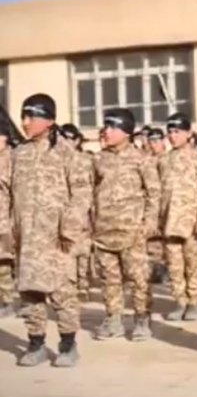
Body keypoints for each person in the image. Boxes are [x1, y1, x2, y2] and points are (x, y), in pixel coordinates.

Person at [12, 94, 92, 367]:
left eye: (30, 117)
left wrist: (70, 226)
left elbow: (82, 192)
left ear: (48, 120)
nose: (25, 123)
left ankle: (68, 345)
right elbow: (4, 191)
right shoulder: (19, 153)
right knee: (29, 292)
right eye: (23, 117)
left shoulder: (66, 152)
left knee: (62, 292)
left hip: (58, 238)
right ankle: (36, 344)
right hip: (26, 237)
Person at [92, 108, 160, 342]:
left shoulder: (141, 159)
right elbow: (90, 191)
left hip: (132, 231)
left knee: (138, 278)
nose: (107, 131)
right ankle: (113, 319)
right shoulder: (98, 159)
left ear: (126, 132)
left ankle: (142, 319)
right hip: (104, 230)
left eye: (112, 127)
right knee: (109, 279)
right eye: (106, 126)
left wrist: (149, 222)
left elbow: (154, 193)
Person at [159, 113, 197, 321]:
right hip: (169, 221)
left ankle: (193, 302)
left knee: (193, 263)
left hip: (191, 221)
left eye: (177, 132)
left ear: (189, 133)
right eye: (170, 132)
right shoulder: (163, 160)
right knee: (174, 264)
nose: (173, 136)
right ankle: (179, 301)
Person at [59, 124, 95, 302]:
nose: (65, 142)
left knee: (83, 252)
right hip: (62, 213)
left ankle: (83, 284)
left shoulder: (86, 160)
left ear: (77, 140)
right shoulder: (56, 159)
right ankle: (70, 287)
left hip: (83, 213)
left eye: (69, 138)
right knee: (68, 252)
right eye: (62, 138)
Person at [145, 128, 169, 285]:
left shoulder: (168, 159)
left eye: (156, 141)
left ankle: (165, 266)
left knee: (167, 238)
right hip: (152, 204)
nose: (153, 145)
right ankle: (156, 267)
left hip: (166, 203)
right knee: (153, 238)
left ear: (162, 141)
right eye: (151, 141)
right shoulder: (146, 160)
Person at [0, 124, 15, 318]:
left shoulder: (13, 158)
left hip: (9, 219)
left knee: (7, 261)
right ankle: (6, 299)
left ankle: (10, 299)